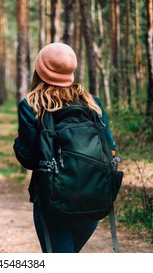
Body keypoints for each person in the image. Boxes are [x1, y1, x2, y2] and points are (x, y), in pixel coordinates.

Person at [13, 43, 117, 253]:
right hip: (93, 200)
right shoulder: (92, 103)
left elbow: (30, 159)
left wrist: (18, 142)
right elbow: (110, 150)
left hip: (53, 203)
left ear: (39, 69)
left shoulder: (31, 105)